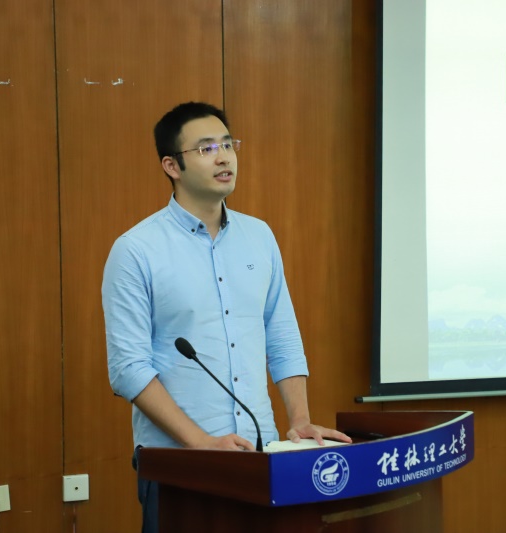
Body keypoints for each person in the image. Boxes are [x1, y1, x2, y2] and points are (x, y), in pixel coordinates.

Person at [102, 102, 351, 532]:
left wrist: (299, 420)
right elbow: (128, 368)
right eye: (206, 149)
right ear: (171, 166)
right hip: (179, 465)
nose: (224, 158)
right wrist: (201, 442)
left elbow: (281, 334)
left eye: (228, 145)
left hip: (259, 456)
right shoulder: (136, 250)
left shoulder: (259, 236)